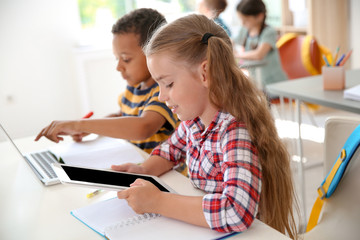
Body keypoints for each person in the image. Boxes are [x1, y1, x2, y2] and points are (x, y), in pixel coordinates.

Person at [110, 14, 298, 239]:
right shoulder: (193, 121)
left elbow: (236, 212)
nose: (161, 96)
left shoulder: (234, 131)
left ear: (204, 73)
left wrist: (158, 202)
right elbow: (170, 151)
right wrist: (145, 170)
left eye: (168, 83)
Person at [35, 8, 179, 154]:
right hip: (136, 162)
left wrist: (79, 125)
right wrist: (89, 127)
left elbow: (143, 127)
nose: (118, 67)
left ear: (155, 52)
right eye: (117, 58)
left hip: (165, 173)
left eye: (126, 59)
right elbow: (122, 115)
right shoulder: (134, 88)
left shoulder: (164, 91)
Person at [234, 0, 287, 91]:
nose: (242, 23)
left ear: (260, 16)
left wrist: (236, 55)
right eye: (241, 20)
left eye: (246, 20)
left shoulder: (269, 32)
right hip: (257, 83)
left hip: (274, 83)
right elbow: (231, 41)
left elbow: (259, 54)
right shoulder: (245, 30)